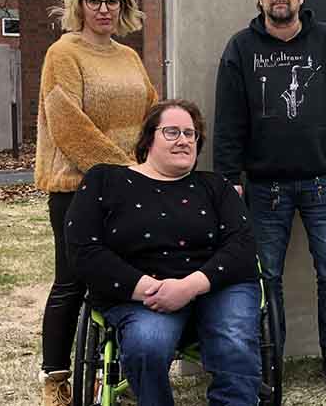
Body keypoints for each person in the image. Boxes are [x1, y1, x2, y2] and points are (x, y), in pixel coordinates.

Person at [214, 0, 326, 393]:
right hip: (264, 189)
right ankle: (268, 359)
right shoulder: (241, 48)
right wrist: (229, 174)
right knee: (266, 278)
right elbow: (228, 119)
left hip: (323, 183)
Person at [67, 100, 262, 406]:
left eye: (190, 134)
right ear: (147, 139)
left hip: (217, 285)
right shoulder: (105, 179)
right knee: (147, 344)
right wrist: (150, 289)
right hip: (140, 292)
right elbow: (85, 250)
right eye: (172, 132)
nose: (184, 140)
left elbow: (243, 246)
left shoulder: (215, 186)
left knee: (234, 340)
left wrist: (188, 287)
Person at [34, 0, 157, 406]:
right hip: (76, 187)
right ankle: (56, 378)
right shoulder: (63, 53)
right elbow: (67, 123)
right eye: (95, 1)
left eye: (112, 1)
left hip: (127, 187)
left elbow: (151, 112)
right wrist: (122, 170)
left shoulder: (128, 57)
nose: (104, 9)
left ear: (123, 6)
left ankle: (119, 369)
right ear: (79, 6)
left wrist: (156, 157)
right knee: (71, 282)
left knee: (125, 279)